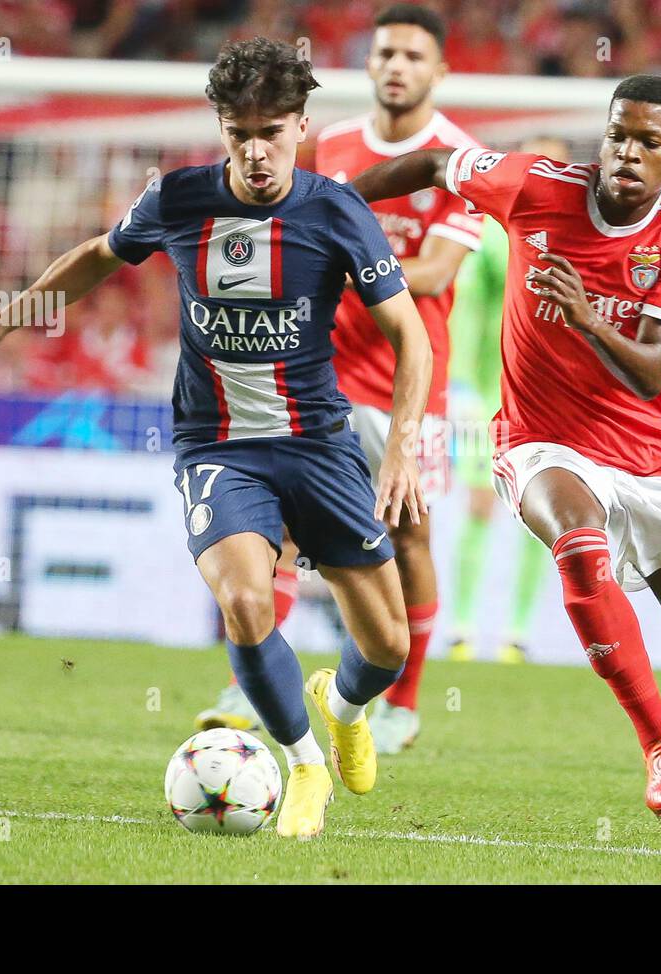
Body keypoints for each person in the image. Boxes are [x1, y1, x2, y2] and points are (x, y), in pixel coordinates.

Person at [0, 38, 433, 840]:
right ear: (222, 130)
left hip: (319, 443)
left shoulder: (338, 211)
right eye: (240, 133)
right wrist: (6, 318)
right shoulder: (178, 199)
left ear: (302, 126)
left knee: (387, 648)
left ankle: (339, 710)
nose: (258, 150)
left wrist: (401, 443)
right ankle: (305, 765)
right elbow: (100, 255)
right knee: (242, 598)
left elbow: (412, 336)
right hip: (219, 446)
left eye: (273, 130)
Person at [352, 75, 661, 841]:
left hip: (647, 450)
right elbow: (434, 162)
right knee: (578, 545)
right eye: (619, 134)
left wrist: (584, 316)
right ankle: (660, 743)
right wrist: (338, 209)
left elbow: (652, 369)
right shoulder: (531, 184)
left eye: (650, 143)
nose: (628, 152)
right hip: (541, 436)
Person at [196, 5, 481, 755]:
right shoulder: (332, 144)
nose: (396, 66)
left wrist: (351, 270)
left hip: (409, 379)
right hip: (316, 374)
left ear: (439, 71)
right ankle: (249, 683)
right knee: (280, 525)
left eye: (414, 56)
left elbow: (439, 272)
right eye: (386, 52)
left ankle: (403, 704)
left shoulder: (460, 157)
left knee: (409, 534)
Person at [443, 136, 568, 666]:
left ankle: (517, 634)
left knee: (540, 515)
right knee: (478, 505)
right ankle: (462, 628)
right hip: (488, 396)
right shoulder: (497, 231)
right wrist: (462, 387)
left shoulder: (579, 236)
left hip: (547, 399)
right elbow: (467, 309)